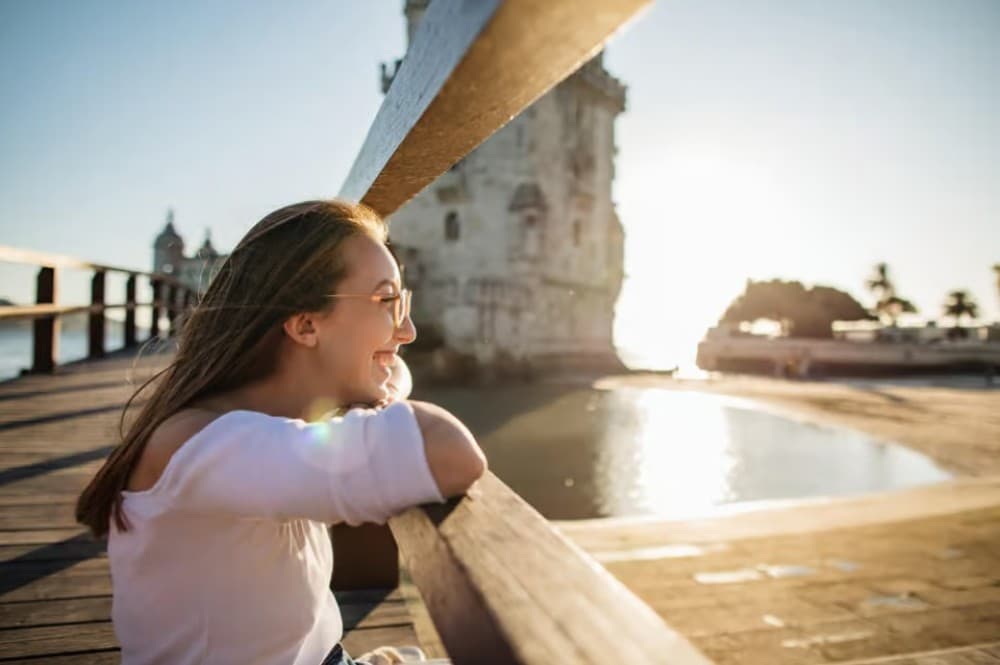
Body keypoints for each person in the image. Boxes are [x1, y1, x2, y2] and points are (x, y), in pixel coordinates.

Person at [75, 200, 487, 665]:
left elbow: (396, 379)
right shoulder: (210, 448)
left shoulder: (260, 427)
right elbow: (449, 452)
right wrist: (376, 386)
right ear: (306, 324)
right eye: (387, 301)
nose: (407, 329)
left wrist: (375, 375)